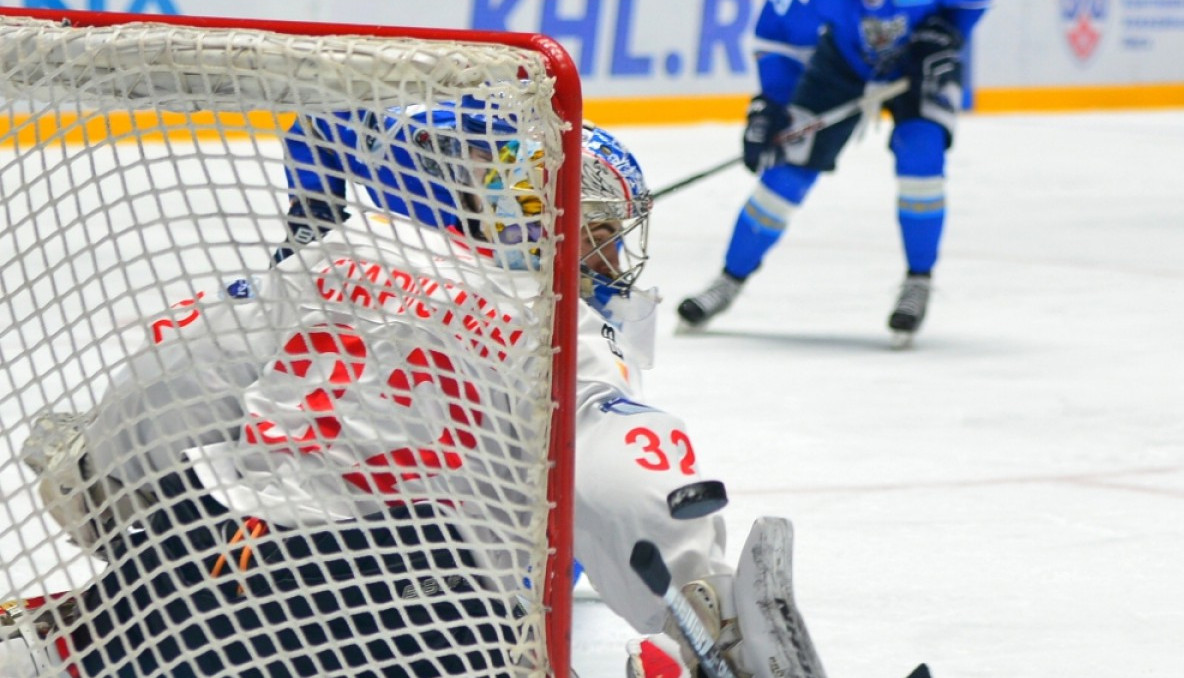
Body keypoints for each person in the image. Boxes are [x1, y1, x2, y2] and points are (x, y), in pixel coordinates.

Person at [2, 109, 814, 678]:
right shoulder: (554, 334)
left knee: (74, 646)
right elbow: (622, 474)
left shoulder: (337, 255)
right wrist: (704, 611)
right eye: (593, 235)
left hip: (195, 559)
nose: (604, 263)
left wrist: (106, 477)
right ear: (527, 224)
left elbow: (175, 376)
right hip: (411, 609)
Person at [677, 0, 990, 345]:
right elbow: (778, 38)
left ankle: (919, 280)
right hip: (842, 61)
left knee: (921, 153)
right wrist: (772, 104)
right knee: (786, 172)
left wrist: (948, 29)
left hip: (922, 58)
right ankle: (728, 280)